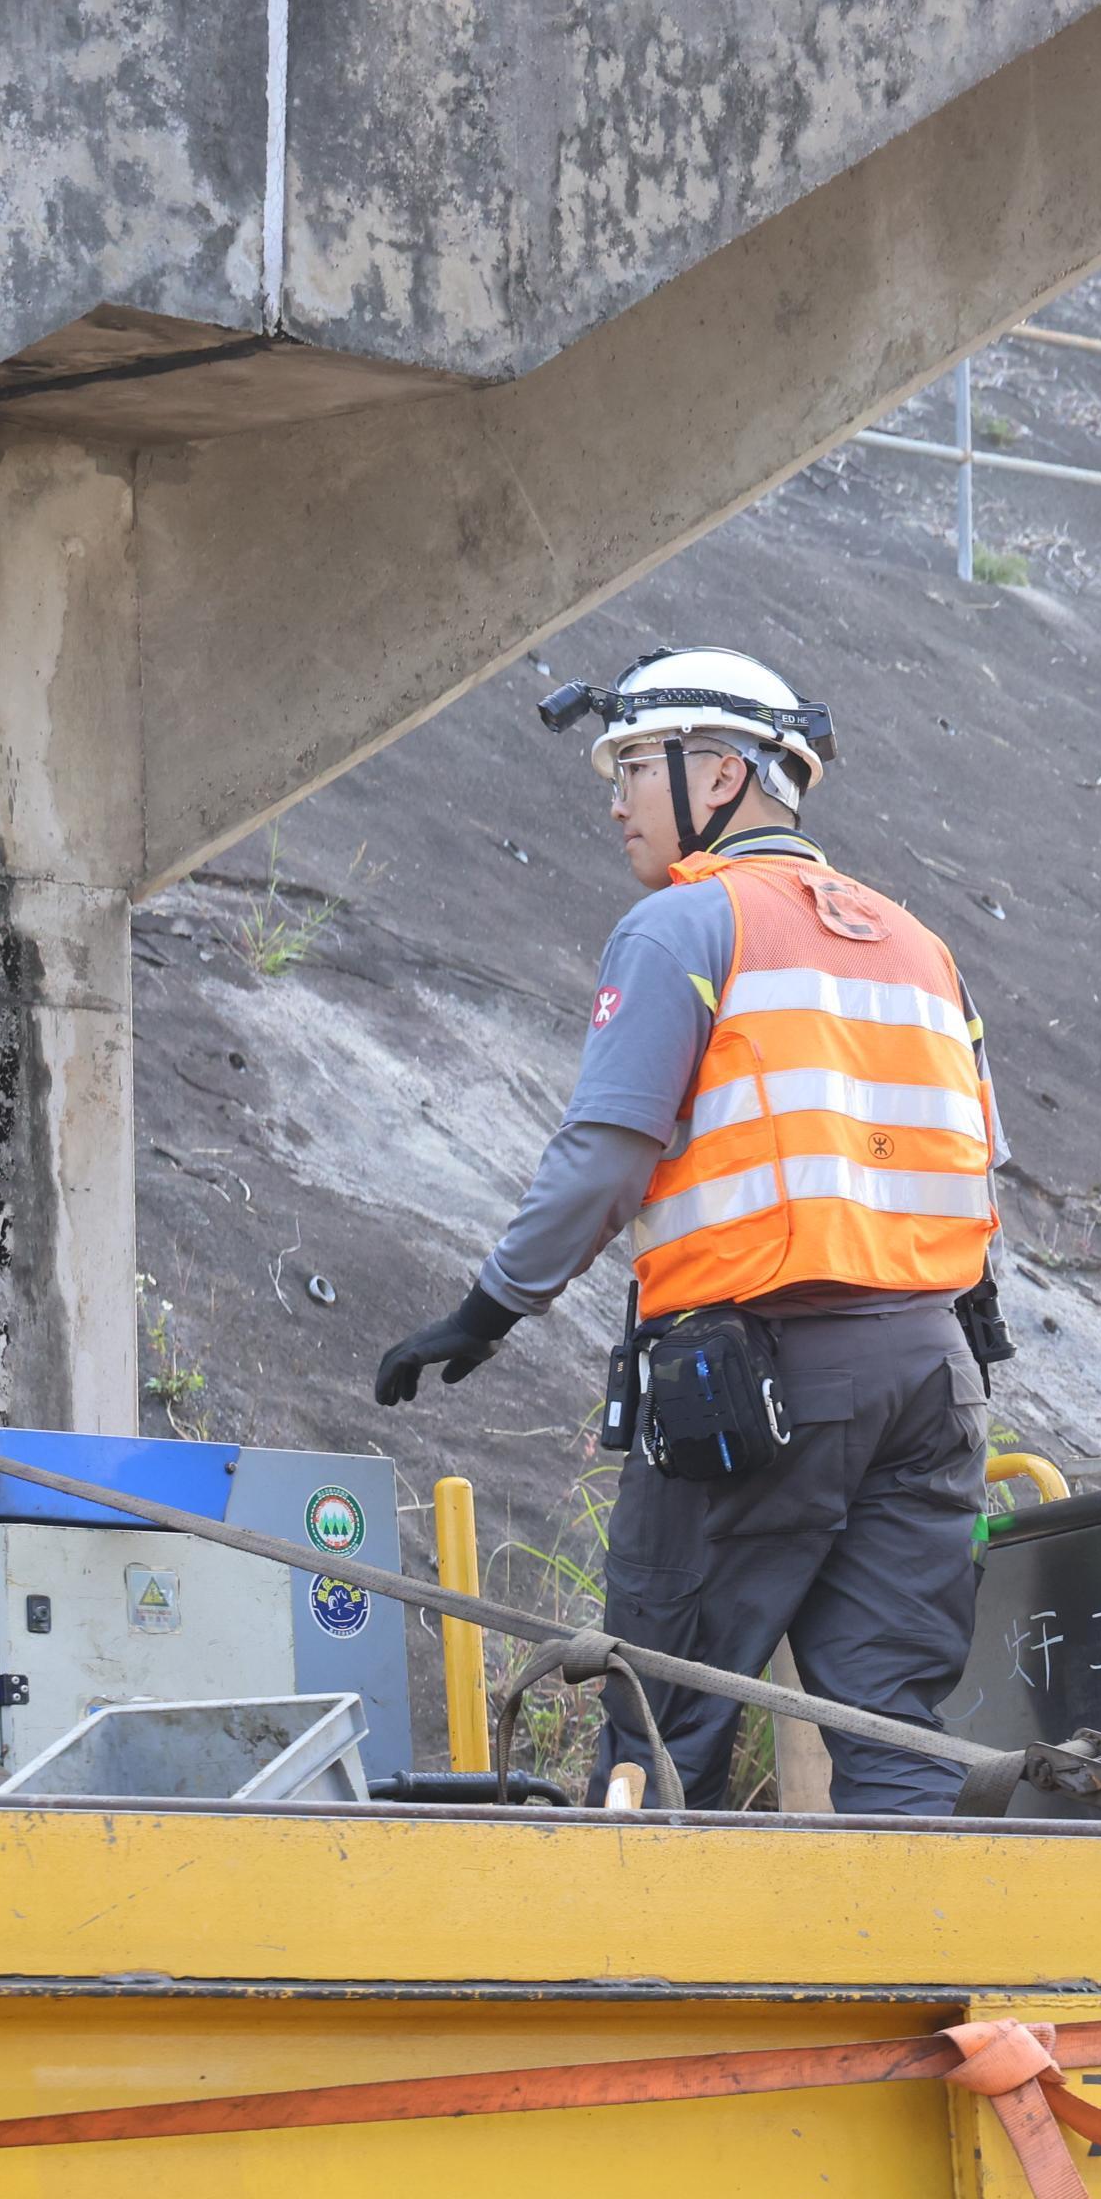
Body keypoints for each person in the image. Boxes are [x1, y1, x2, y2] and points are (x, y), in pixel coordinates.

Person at [374, 645, 1013, 1811]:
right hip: (931, 1382)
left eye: (629, 766)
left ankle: (658, 1986)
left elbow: (607, 1158)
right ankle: (930, 1986)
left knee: (662, 1723)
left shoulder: (684, 928)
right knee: (890, 1730)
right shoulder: (924, 951)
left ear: (719, 774)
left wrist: (488, 1309)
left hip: (750, 1391)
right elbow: (977, 1176)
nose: (612, 798)